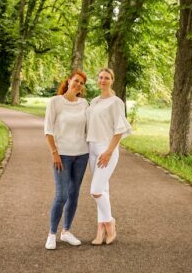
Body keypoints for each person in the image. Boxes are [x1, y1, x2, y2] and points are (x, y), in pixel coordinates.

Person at [44, 70, 89, 250]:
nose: (78, 84)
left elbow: (91, 127)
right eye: (76, 81)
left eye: (82, 83)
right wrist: (54, 152)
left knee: (74, 194)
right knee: (61, 195)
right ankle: (52, 234)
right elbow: (48, 130)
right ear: (69, 81)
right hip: (62, 156)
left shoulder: (84, 103)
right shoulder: (55, 102)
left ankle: (67, 231)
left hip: (82, 154)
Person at [86, 67, 132, 245]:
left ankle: (110, 223)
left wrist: (109, 151)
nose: (103, 80)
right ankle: (100, 231)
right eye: (100, 77)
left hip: (107, 148)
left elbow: (119, 130)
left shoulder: (116, 102)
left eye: (106, 78)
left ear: (112, 80)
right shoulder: (94, 101)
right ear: (97, 80)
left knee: (95, 190)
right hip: (92, 148)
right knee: (103, 190)